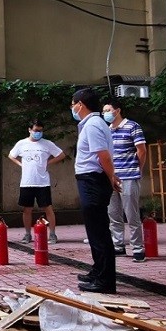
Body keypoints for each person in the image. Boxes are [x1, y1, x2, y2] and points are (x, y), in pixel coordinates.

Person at [71, 88, 122, 294]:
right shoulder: (92, 124)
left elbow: (103, 156)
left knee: (99, 232)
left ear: (80, 104)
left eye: (72, 103)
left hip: (93, 181)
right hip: (90, 180)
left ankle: (105, 281)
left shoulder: (92, 125)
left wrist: (112, 177)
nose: (72, 108)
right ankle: (98, 271)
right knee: (94, 231)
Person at [103, 99, 148, 262]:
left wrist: (138, 169)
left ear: (118, 110)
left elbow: (141, 150)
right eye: (104, 111)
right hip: (111, 177)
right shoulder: (106, 130)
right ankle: (118, 245)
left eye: (108, 110)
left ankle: (138, 248)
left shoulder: (132, 126)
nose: (105, 114)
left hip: (129, 176)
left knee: (131, 213)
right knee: (113, 213)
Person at [8, 119, 65, 243]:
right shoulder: (21, 143)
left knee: (47, 208)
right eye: (35, 130)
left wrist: (48, 163)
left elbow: (61, 155)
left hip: (42, 182)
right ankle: (28, 234)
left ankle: (53, 234)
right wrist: (20, 164)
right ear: (29, 130)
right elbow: (11, 155)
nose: (38, 133)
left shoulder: (47, 144)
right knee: (27, 209)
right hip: (27, 182)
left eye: (40, 131)